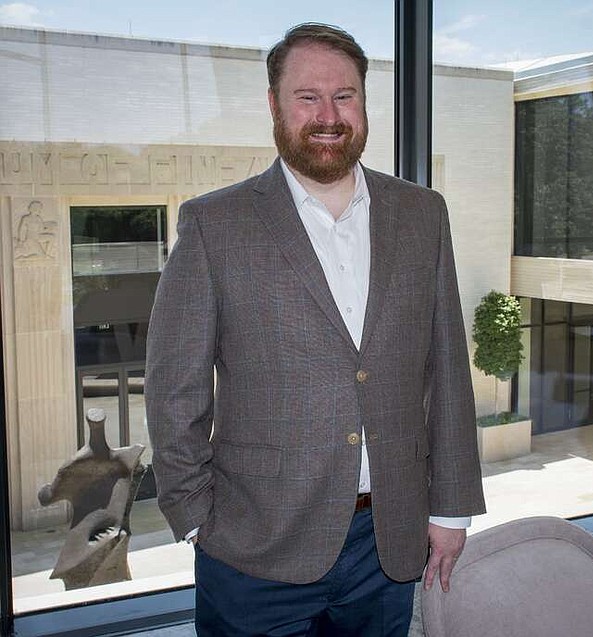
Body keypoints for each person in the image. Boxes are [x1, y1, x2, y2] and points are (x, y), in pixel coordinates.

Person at [145, 22, 485, 637]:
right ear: (273, 105)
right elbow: (175, 389)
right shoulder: (213, 225)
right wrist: (196, 518)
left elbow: (447, 367)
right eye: (307, 97)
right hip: (253, 549)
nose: (328, 115)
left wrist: (451, 507)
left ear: (363, 103)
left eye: (345, 96)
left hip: (389, 543)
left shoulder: (421, 213)